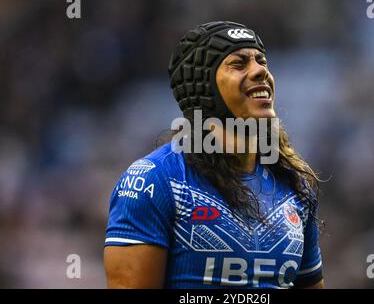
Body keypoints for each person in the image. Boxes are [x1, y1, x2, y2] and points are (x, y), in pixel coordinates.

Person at [103, 21, 324, 289]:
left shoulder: (295, 186)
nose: (261, 71)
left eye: (262, 61)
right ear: (203, 87)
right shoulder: (154, 182)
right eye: (239, 64)